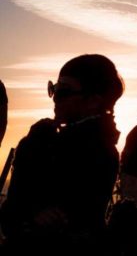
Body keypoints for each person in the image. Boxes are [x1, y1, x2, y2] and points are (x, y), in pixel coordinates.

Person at [0, 54, 124, 254]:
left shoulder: (67, 148)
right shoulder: (100, 147)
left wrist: (30, 146)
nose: (55, 97)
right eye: (54, 89)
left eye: (63, 91)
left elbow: (13, 216)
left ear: (93, 100)